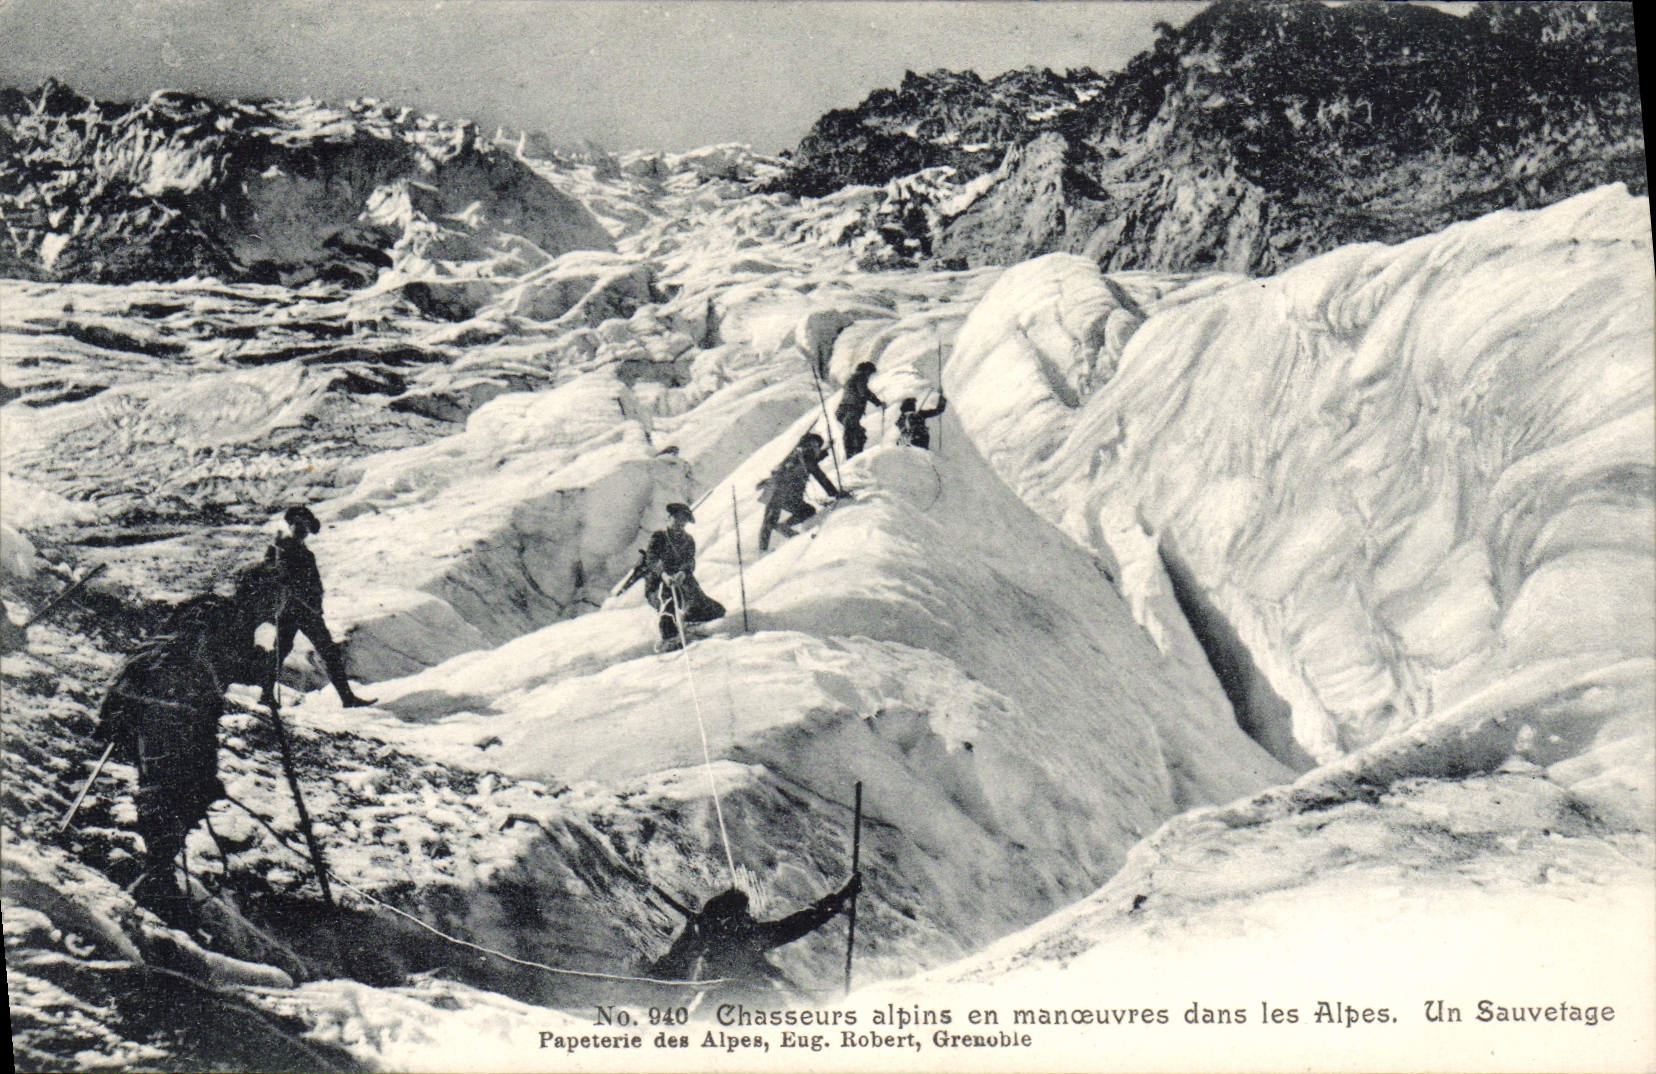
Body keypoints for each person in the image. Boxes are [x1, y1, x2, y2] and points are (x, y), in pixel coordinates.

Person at [648, 874, 861, 1002]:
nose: (750, 918)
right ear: (728, 921)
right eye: (744, 915)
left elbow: (802, 921)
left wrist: (841, 896)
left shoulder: (700, 928)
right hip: (726, 998)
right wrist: (842, 896)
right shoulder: (744, 937)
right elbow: (800, 923)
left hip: (729, 995)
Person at [261, 506, 374, 708]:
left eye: (305, 526)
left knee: (285, 650)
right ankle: (347, 698)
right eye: (298, 525)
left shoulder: (302, 552)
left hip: (300, 610)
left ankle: (266, 694)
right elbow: (277, 577)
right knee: (324, 651)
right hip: (297, 610)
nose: (302, 529)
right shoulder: (280, 549)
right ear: (290, 525)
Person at [645, 503, 725, 653]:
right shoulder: (659, 537)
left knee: (715, 610)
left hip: (683, 580)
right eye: (676, 519)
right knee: (669, 605)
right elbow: (651, 560)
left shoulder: (688, 540)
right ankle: (669, 638)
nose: (679, 523)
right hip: (659, 583)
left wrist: (682, 573)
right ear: (669, 518)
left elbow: (689, 561)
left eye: (683, 520)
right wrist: (664, 575)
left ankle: (688, 625)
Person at [757, 432, 848, 552]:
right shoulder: (807, 457)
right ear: (811, 445)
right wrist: (835, 493)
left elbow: (811, 460)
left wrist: (825, 450)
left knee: (769, 521)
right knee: (807, 510)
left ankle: (763, 550)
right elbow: (820, 476)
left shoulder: (796, 454)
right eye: (817, 446)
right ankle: (784, 527)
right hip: (786, 494)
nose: (817, 449)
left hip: (774, 490)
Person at [834, 361, 884, 458]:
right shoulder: (861, 377)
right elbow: (864, 392)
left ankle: (852, 457)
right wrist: (878, 402)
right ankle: (854, 458)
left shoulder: (852, 378)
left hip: (843, 411)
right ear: (866, 371)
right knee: (855, 435)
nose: (869, 377)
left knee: (854, 433)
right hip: (851, 410)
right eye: (870, 373)